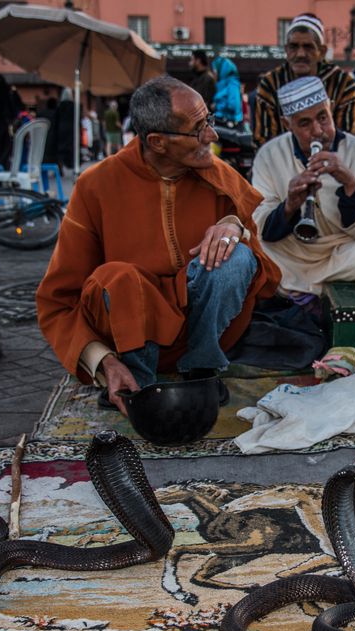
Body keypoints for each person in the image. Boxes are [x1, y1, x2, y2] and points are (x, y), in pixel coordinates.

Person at [36, 76, 281, 415]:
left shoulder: (218, 177)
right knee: (117, 277)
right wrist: (103, 361)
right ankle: (137, 380)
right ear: (157, 142)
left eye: (208, 120)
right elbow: (58, 300)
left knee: (236, 257)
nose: (211, 135)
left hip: (202, 335)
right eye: (198, 129)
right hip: (128, 335)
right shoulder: (96, 186)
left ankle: (202, 370)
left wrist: (235, 227)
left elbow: (265, 275)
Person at [251, 76, 355, 297]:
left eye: (322, 118)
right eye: (305, 123)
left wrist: (350, 184)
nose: (317, 131)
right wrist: (290, 205)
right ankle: (320, 289)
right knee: (253, 252)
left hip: (342, 252)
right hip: (291, 253)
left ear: (330, 109)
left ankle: (295, 291)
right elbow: (260, 227)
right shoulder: (269, 154)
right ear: (288, 124)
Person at [254, 13, 355, 146]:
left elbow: (348, 139)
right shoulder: (270, 84)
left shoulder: (342, 83)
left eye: (308, 47)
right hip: (282, 162)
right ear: (286, 50)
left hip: (333, 161)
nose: (300, 54)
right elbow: (264, 141)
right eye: (294, 47)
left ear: (321, 51)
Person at [211, 56, 243, 127]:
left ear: (221, 70)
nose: (213, 74)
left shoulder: (233, 84)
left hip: (228, 125)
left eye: (214, 71)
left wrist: (217, 106)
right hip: (221, 122)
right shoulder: (222, 84)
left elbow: (234, 105)